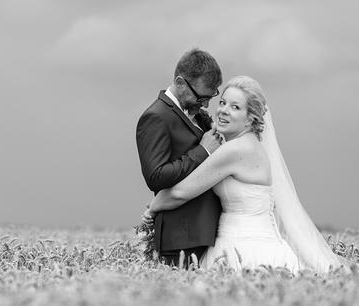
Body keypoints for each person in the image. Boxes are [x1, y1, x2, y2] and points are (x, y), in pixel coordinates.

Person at [143, 76, 344, 273]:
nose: (223, 111)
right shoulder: (248, 146)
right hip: (249, 244)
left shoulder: (236, 150)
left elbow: (181, 192)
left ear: (251, 118)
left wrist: (152, 208)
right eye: (222, 102)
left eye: (235, 107)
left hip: (245, 249)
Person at [136, 49, 223, 267]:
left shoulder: (196, 115)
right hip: (181, 239)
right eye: (201, 97)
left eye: (209, 98)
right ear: (180, 82)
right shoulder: (155, 117)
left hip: (207, 234)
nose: (204, 105)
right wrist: (203, 151)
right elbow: (156, 176)